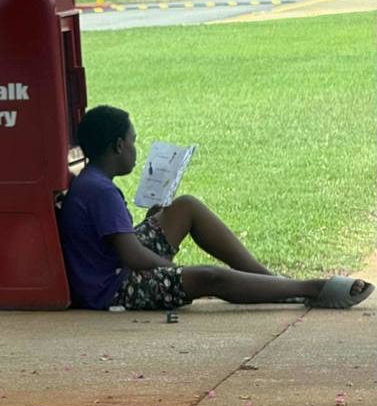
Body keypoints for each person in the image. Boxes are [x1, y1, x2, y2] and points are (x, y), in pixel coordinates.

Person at [58, 105, 374, 312]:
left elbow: (115, 242)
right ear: (117, 145)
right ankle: (310, 289)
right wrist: (173, 271)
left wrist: (151, 224)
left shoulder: (92, 182)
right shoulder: (101, 192)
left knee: (185, 207)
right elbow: (131, 256)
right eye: (132, 141)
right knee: (209, 277)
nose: (134, 149)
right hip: (115, 290)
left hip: (115, 269)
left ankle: (270, 281)